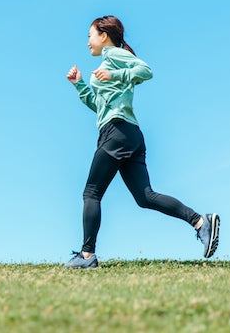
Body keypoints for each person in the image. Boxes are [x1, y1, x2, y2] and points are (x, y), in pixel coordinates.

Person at [65, 15, 219, 269]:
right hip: (128, 133)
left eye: (89, 35)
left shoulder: (114, 55)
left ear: (104, 36)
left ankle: (86, 256)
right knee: (145, 197)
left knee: (91, 193)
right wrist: (80, 84)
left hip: (116, 132)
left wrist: (115, 74)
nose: (87, 42)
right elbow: (99, 106)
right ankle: (201, 222)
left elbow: (145, 71)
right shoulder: (108, 61)